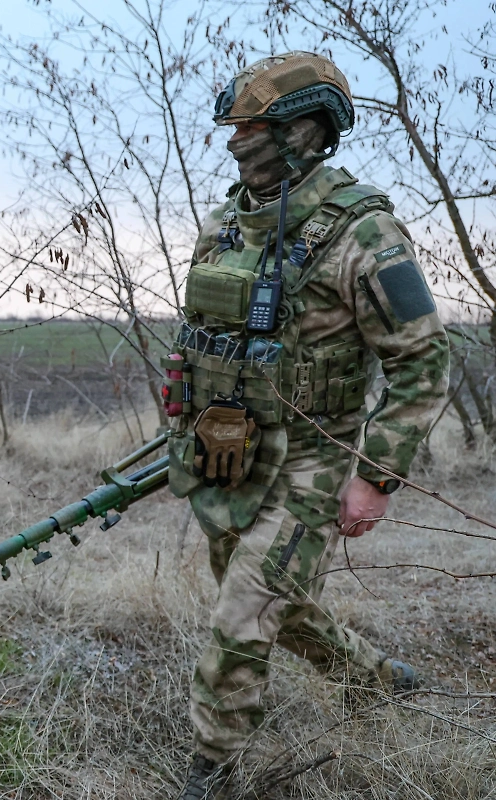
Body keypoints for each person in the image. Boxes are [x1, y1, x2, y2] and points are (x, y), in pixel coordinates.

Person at [164, 51, 449, 799]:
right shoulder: (230, 222)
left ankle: (211, 772)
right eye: (235, 127)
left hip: (315, 459)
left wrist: (376, 477)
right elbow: (202, 333)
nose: (236, 141)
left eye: (252, 127)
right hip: (229, 449)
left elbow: (424, 362)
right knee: (270, 601)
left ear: (302, 132)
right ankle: (375, 679)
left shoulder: (365, 233)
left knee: (242, 612)